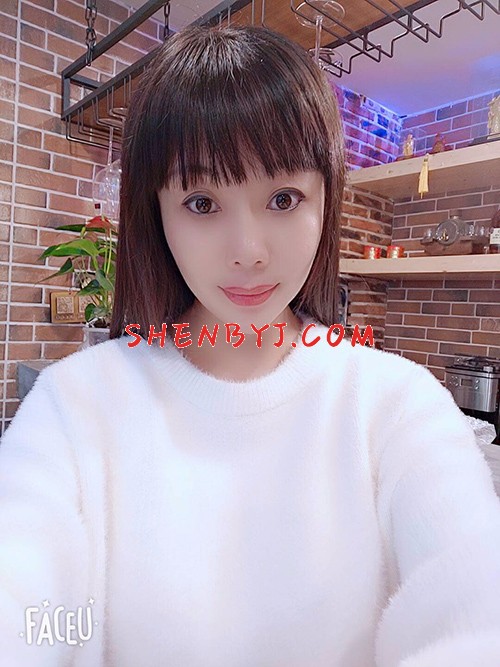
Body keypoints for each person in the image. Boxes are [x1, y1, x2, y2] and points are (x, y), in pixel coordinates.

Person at [1, 23, 500, 667]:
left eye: (283, 198)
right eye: (202, 203)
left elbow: (473, 605)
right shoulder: (78, 404)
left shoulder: (396, 406)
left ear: (326, 201)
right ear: (156, 211)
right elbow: (27, 604)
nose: (249, 251)